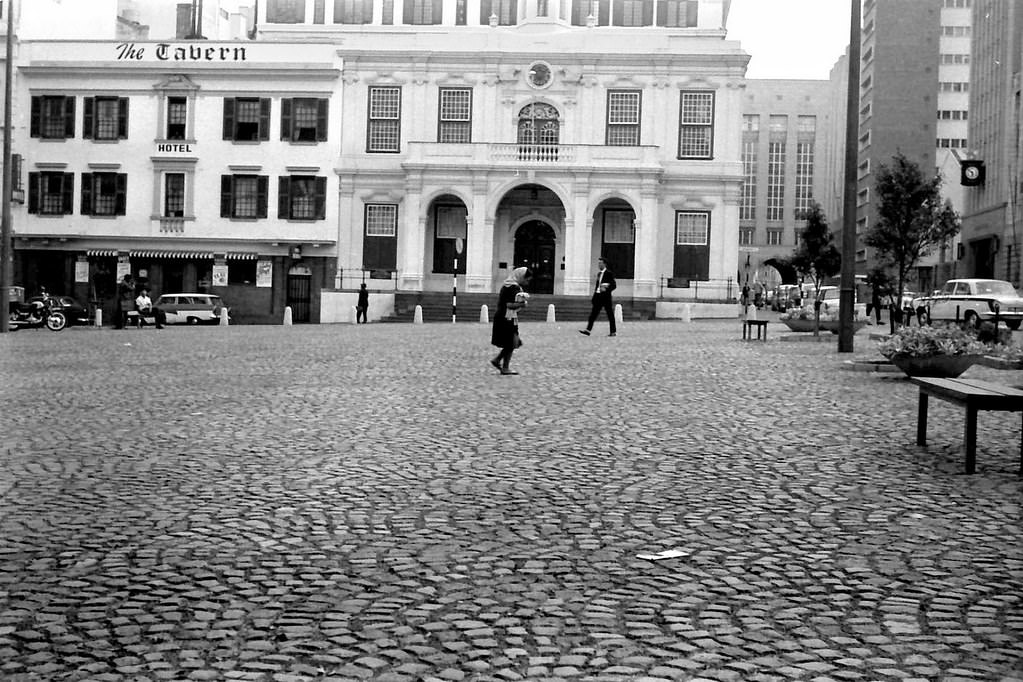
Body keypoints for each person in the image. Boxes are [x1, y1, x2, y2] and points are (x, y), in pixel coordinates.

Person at [490, 267, 532, 375]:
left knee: (512, 342)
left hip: (506, 317)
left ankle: (498, 360)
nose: (527, 283)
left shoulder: (508, 285)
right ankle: (504, 366)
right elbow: (509, 304)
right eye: (527, 280)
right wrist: (522, 304)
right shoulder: (512, 287)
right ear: (521, 277)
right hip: (506, 318)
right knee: (512, 342)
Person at [579, 256, 617, 337]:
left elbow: (614, 285)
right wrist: (594, 297)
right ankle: (588, 330)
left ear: (604, 264)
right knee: (593, 314)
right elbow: (597, 286)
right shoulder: (599, 274)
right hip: (598, 297)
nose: (599, 265)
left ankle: (613, 331)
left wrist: (606, 288)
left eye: (600, 263)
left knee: (610, 315)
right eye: (598, 263)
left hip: (606, 298)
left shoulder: (609, 273)